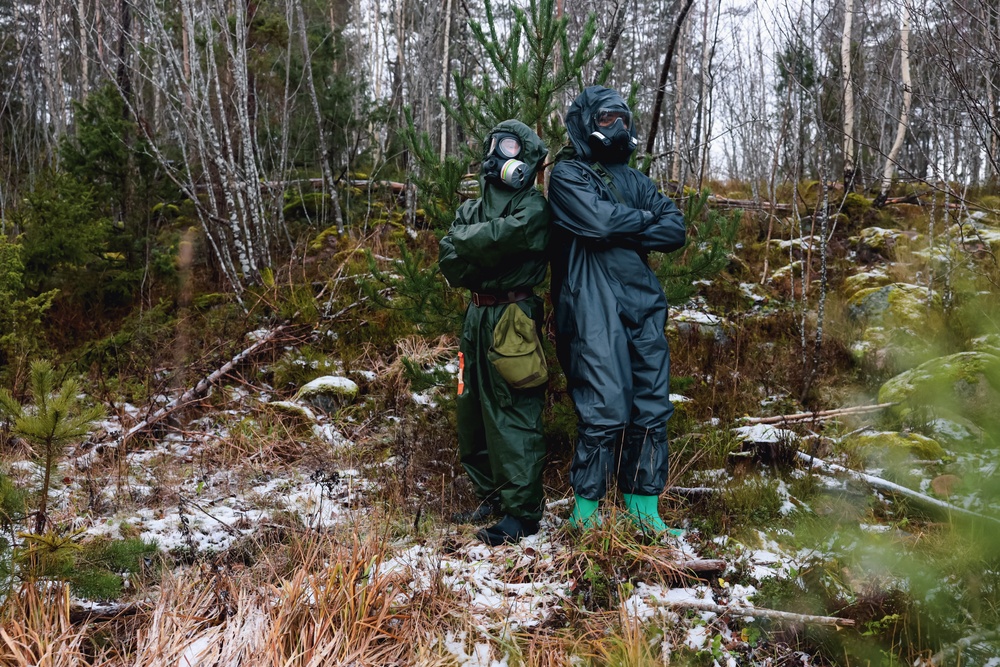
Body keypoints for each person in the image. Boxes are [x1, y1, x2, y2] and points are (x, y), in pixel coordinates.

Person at [548, 86, 686, 534]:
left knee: (651, 403)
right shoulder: (568, 175)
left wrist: (626, 224)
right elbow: (598, 222)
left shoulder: (636, 180)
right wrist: (640, 223)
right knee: (604, 406)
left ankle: (645, 512)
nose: (618, 128)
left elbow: (675, 228)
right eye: (607, 119)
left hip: (643, 302)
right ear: (587, 120)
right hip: (590, 304)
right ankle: (585, 515)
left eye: (623, 118)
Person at [438, 120, 551, 546]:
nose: (499, 155)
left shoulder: (534, 207)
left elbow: (515, 236)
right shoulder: (471, 209)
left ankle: (522, 513)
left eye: (510, 146)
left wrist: (476, 244)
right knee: (473, 409)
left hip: (513, 317)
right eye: (495, 145)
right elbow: (450, 258)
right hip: (476, 317)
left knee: (513, 408)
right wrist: (486, 246)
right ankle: (490, 496)